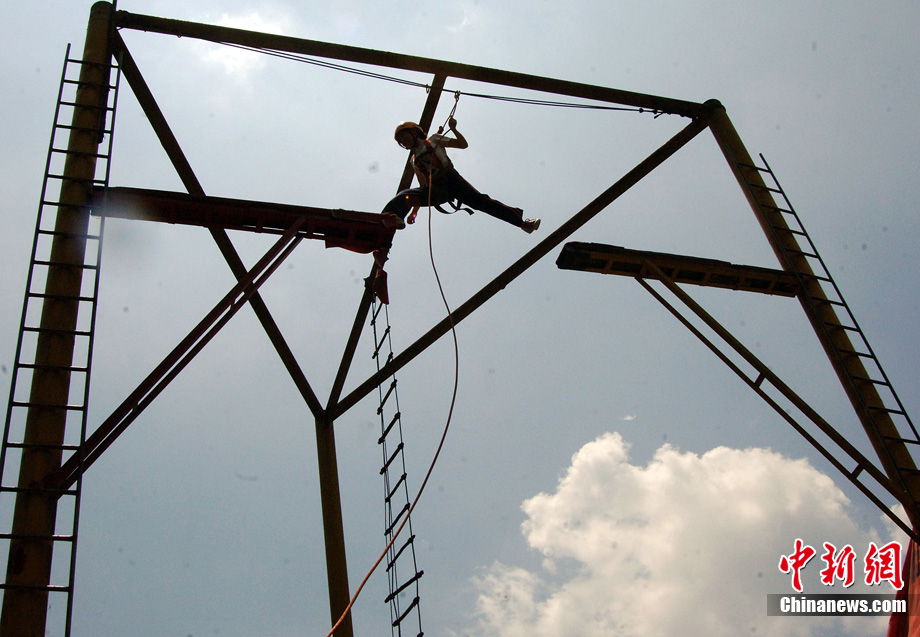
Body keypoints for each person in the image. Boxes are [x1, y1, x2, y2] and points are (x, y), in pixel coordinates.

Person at [381, 119, 540, 233]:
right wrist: (414, 213)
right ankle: (393, 218)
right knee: (405, 195)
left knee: (481, 202)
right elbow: (423, 187)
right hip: (437, 189)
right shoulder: (414, 161)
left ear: (415, 132)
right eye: (401, 141)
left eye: (404, 137)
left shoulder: (434, 140)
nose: (404, 142)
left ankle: (522, 223)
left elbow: (463, 145)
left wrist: (454, 129)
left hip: (451, 180)